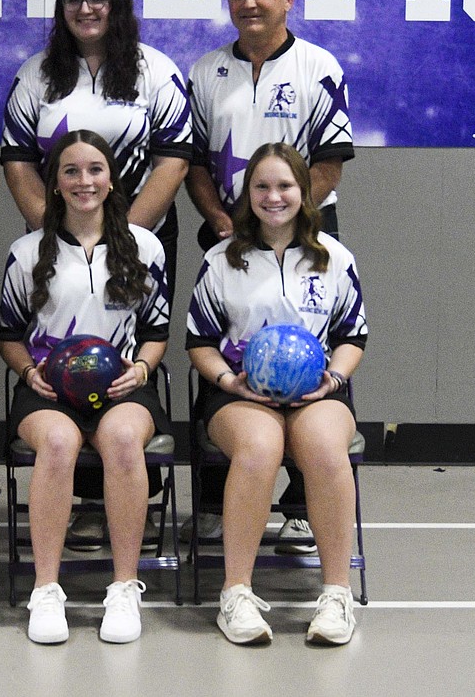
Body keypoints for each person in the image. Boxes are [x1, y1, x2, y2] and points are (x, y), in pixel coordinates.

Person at [1, 0, 191, 548]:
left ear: (118, 5)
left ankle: (130, 499)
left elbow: (173, 159)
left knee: (127, 352)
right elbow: (17, 160)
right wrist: (60, 231)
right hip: (61, 238)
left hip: (139, 234)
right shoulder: (36, 75)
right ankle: (78, 502)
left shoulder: (154, 71)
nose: (87, 9)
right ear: (61, 10)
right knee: (63, 354)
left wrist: (119, 235)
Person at [185, 0, 354, 551]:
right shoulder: (206, 70)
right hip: (228, 237)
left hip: (303, 232)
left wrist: (283, 213)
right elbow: (195, 165)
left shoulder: (318, 65)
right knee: (221, 351)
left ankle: (304, 504)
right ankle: (212, 502)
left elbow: (330, 162)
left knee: (312, 345)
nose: (248, 4)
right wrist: (222, 220)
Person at [186, 143, 367, 645]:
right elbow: (199, 342)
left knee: (325, 449)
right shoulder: (222, 258)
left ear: (304, 192)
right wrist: (229, 381)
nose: (273, 196)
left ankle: (335, 596)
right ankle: (236, 593)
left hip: (319, 391)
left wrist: (331, 380)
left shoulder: (334, 257)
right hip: (239, 392)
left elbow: (354, 335)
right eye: (261, 186)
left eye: (285, 185)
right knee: (260, 447)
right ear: (248, 194)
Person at [0, 130, 172, 645]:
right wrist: (29, 372)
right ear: (53, 184)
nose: (84, 181)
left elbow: (157, 332)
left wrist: (139, 371)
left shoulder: (146, 247)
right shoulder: (27, 250)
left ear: (112, 178)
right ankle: (46, 589)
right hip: (47, 387)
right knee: (57, 442)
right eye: (70, 171)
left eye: (95, 169)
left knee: (120, 440)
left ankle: (123, 587)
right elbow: (8, 334)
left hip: (123, 385)